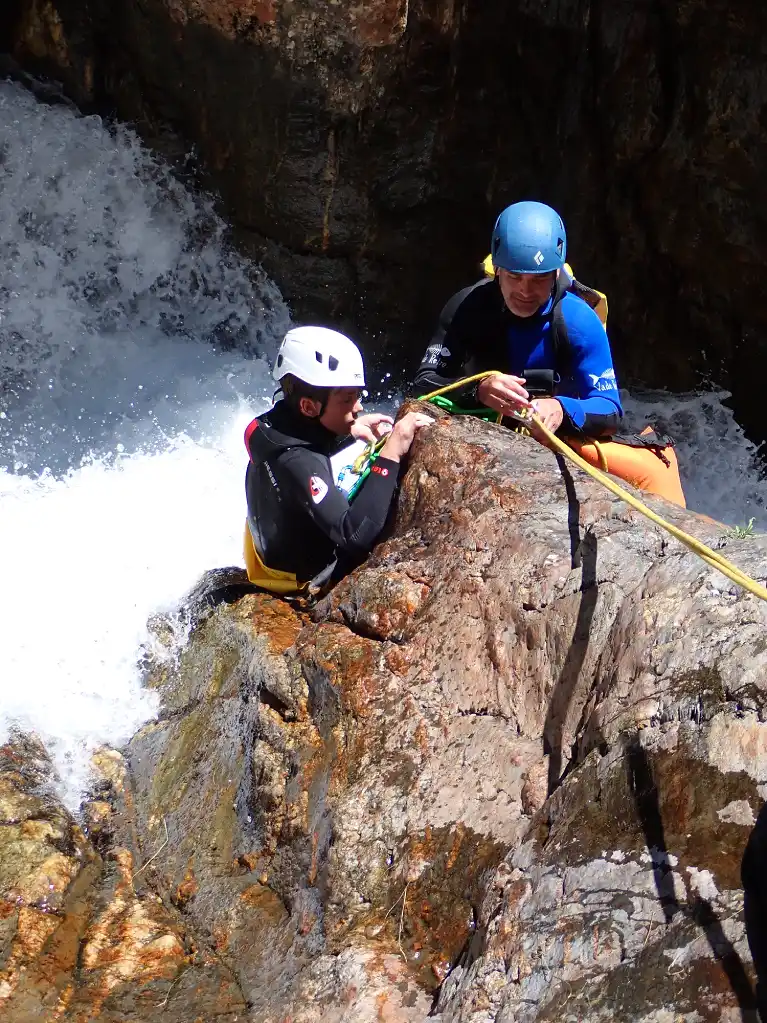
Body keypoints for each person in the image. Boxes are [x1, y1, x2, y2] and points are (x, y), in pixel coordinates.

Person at [244, 325, 433, 594]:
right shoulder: (297, 461)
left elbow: (305, 436)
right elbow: (354, 535)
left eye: (357, 395)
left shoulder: (273, 426)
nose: (359, 407)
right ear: (309, 406)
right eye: (348, 399)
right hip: (297, 577)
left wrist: (347, 431)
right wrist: (392, 453)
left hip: (271, 547)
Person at [413, 200, 623, 442]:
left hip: (553, 438)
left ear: (556, 273)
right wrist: (478, 389)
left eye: (539, 279)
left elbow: (611, 411)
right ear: (498, 269)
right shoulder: (467, 307)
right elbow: (423, 382)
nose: (525, 291)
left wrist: (562, 409)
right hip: (480, 430)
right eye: (514, 276)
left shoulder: (578, 321)